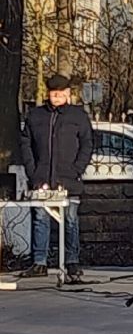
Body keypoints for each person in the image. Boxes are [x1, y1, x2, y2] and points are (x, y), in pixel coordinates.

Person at [18, 74, 92, 280]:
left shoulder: (78, 116)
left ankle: (72, 262)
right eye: (53, 93)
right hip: (41, 178)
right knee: (40, 219)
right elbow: (26, 144)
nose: (57, 97)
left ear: (68, 93)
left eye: (60, 93)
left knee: (70, 220)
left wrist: (77, 169)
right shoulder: (35, 116)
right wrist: (32, 172)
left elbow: (87, 144)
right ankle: (39, 262)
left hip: (69, 179)